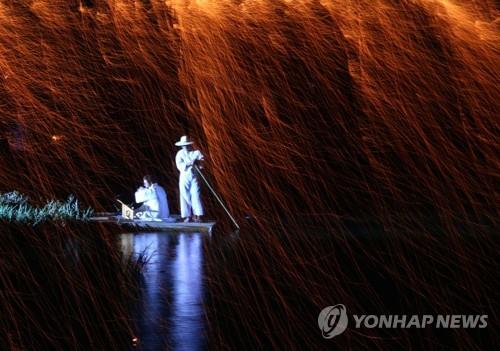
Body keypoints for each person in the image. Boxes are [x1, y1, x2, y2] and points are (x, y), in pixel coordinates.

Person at [175, 135, 204, 222]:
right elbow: (179, 165)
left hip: (195, 177)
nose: (185, 147)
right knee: (184, 195)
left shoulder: (196, 152)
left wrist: (198, 163)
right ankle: (187, 215)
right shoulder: (179, 154)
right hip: (184, 176)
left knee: (196, 195)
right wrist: (188, 163)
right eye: (184, 145)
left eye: (187, 145)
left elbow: (202, 164)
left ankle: (198, 215)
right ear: (182, 146)